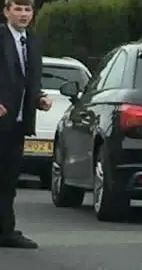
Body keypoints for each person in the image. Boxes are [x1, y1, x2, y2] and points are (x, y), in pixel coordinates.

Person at [0, 0, 52, 249]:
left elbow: (31, 78)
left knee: (8, 180)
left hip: (17, 122)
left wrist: (39, 98)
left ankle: (5, 232)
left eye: (27, 9)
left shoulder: (32, 41)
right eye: (18, 9)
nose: (23, 14)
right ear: (6, 11)